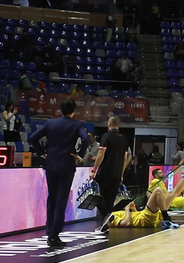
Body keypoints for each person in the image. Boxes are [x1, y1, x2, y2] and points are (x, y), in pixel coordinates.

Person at [28, 98, 91, 250]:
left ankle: (50, 231)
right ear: (74, 111)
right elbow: (86, 138)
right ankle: (54, 235)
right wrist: (80, 155)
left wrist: (41, 152)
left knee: (52, 198)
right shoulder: (78, 125)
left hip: (51, 164)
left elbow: (32, 138)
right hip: (67, 165)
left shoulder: (50, 123)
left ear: (60, 110)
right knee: (61, 200)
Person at [91, 115, 132, 222]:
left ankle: (106, 215)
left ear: (109, 124)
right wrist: (121, 174)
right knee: (110, 199)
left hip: (105, 172)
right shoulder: (124, 139)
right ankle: (107, 223)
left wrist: (94, 170)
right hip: (117, 173)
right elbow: (125, 158)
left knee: (95, 194)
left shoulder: (106, 136)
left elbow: (101, 154)